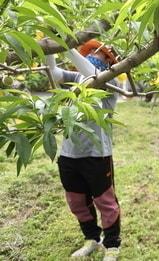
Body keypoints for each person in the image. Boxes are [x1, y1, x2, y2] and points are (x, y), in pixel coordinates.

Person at [46, 39, 121, 261]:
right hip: (69, 154)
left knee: (106, 202)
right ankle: (91, 239)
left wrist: (65, 46)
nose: (93, 56)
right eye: (91, 52)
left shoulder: (110, 81)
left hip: (97, 155)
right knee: (76, 201)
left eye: (100, 54)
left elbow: (92, 76)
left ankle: (112, 244)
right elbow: (52, 72)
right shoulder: (75, 78)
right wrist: (49, 47)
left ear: (109, 62)